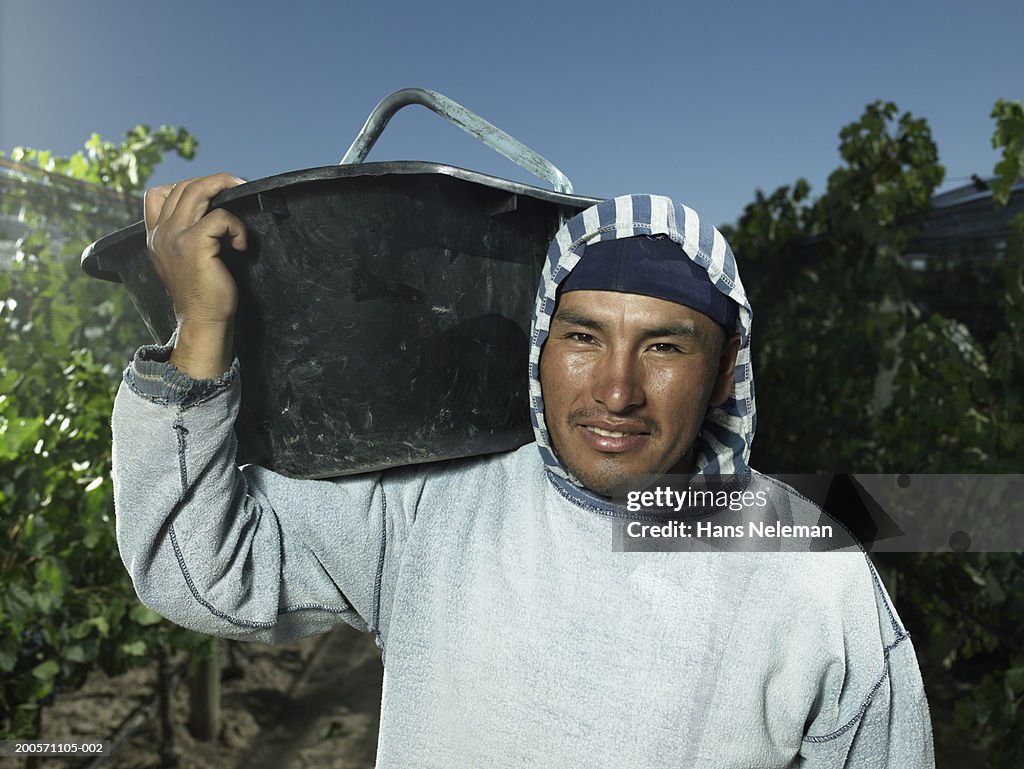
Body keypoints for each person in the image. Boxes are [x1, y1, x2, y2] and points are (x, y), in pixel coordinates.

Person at [112, 173, 935, 767]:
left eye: (665, 346)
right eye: (582, 337)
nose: (617, 390)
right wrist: (199, 335)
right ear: (540, 348)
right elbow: (200, 567)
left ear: (724, 373)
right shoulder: (438, 506)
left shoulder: (810, 573)